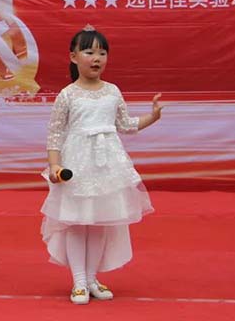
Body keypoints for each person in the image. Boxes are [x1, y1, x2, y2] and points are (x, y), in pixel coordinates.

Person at [40, 24, 162, 305]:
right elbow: (55, 134)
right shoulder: (67, 94)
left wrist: (153, 117)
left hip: (108, 167)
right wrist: (55, 167)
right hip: (77, 165)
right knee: (76, 222)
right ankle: (79, 282)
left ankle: (92, 278)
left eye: (102, 53)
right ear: (73, 57)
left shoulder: (113, 91)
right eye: (89, 52)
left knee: (98, 223)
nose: (96, 58)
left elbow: (125, 125)